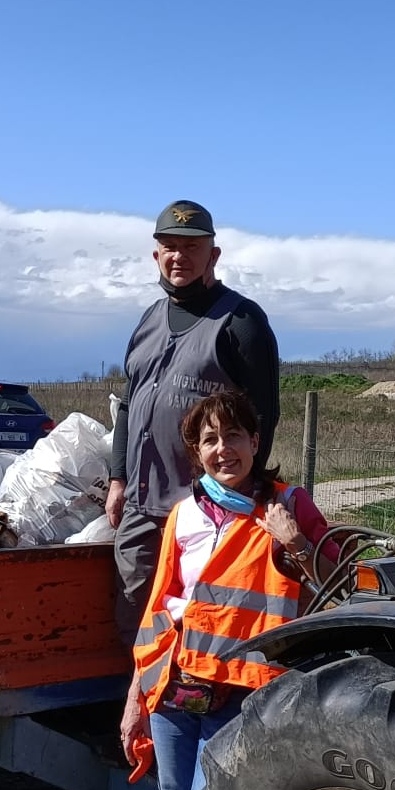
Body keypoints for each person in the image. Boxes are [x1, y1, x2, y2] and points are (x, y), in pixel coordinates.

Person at [123, 389, 330, 790]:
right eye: (210, 440)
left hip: (245, 690)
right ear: (197, 452)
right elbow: (161, 603)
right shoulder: (184, 514)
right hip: (177, 683)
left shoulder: (289, 507)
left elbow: (335, 587)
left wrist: (294, 544)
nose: (223, 450)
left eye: (234, 437)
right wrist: (136, 694)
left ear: (256, 442)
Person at [106, 201, 281, 644]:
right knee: (139, 621)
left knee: (200, 622)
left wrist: (238, 497)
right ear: (156, 255)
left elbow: (263, 416)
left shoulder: (241, 323)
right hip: (142, 511)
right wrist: (118, 479)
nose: (178, 256)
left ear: (213, 255)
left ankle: (192, 711)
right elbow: (129, 404)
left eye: (191, 246)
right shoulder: (148, 319)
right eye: (169, 246)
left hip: (204, 514)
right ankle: (141, 709)